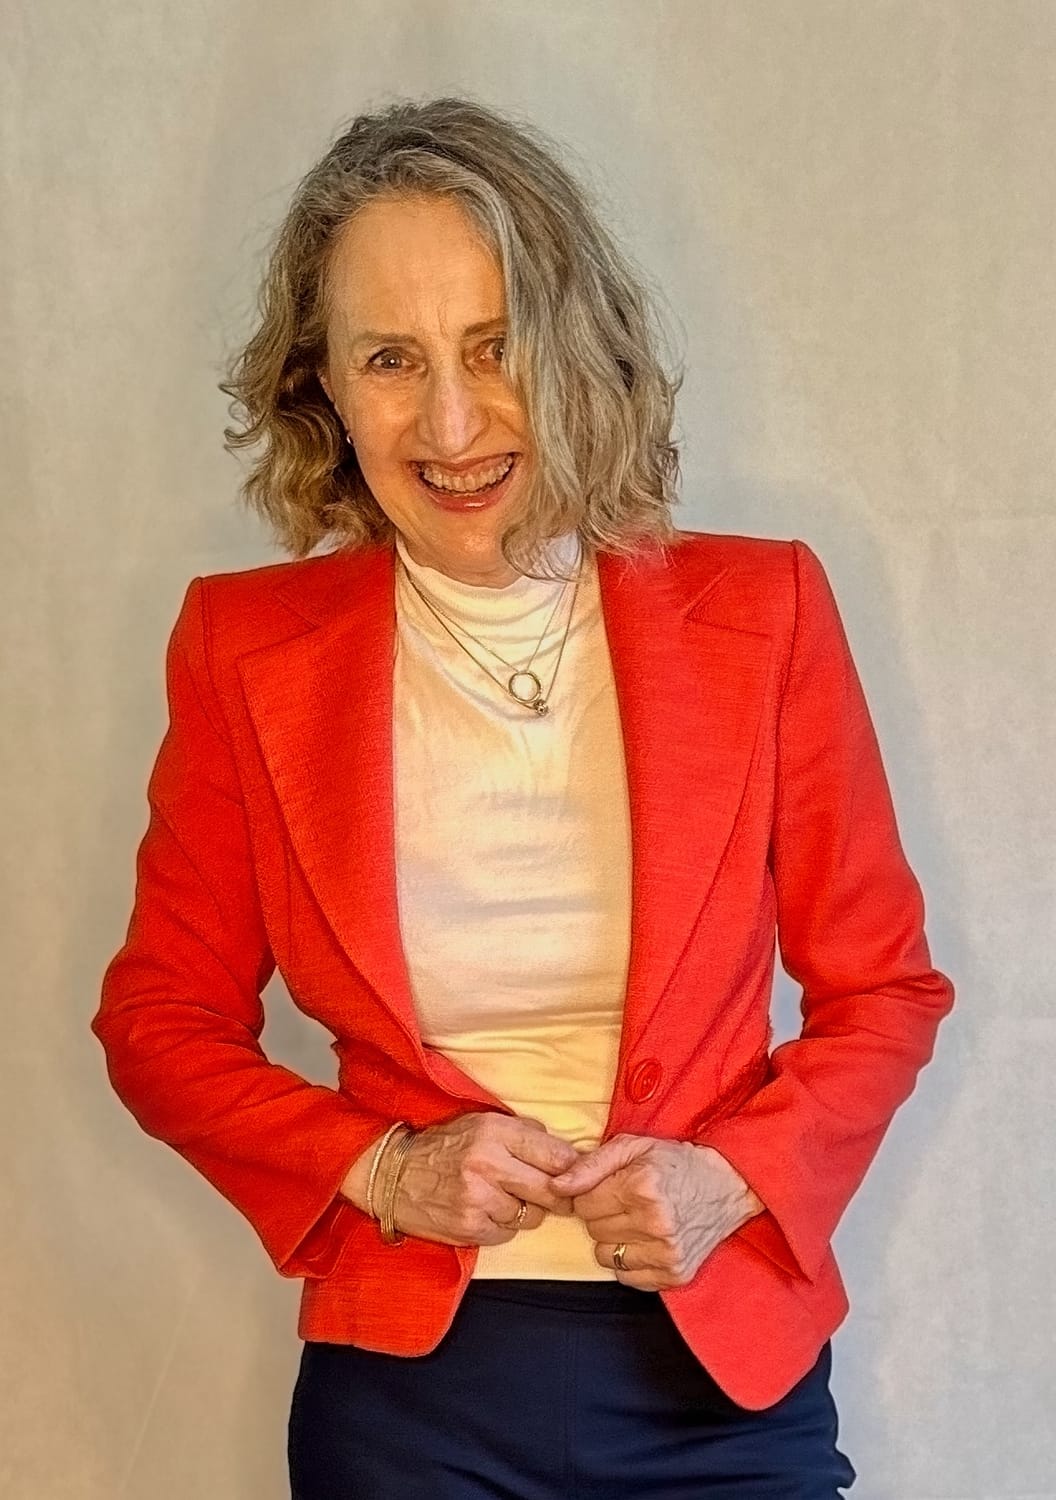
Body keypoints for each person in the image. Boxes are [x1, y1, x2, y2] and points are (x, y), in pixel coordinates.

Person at [91, 95, 955, 1498]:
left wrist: (728, 1179)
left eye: (495, 348)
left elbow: (884, 990)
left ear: (576, 350)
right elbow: (160, 1023)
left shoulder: (766, 613)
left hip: (721, 1369)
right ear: (323, 388)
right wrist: (383, 1169)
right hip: (412, 1397)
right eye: (390, 358)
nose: (448, 422)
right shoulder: (242, 651)